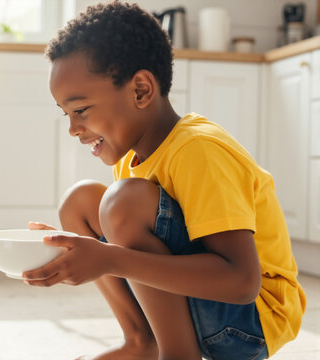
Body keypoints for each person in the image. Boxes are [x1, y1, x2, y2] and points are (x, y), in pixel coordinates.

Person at [23, 2, 306, 359]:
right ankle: (142, 343)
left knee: (122, 202)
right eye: (66, 114)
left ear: (141, 90)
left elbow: (242, 282)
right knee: (80, 203)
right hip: (212, 304)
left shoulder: (199, 150)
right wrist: (73, 249)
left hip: (251, 322)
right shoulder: (131, 158)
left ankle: (177, 354)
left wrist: (110, 258)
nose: (73, 129)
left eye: (80, 110)